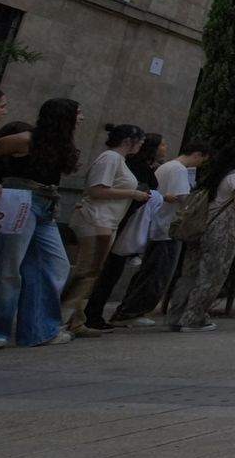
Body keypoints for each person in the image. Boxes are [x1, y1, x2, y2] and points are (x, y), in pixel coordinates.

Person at [0, 99, 82, 347]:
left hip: (46, 204)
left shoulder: (59, 143)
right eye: (78, 113)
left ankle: (39, 328)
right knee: (8, 267)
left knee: (56, 264)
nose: (81, 118)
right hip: (21, 199)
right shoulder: (24, 139)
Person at [62, 124, 150, 335]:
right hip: (97, 219)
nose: (141, 146)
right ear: (129, 141)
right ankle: (63, 318)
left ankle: (75, 319)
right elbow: (97, 189)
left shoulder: (118, 160)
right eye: (139, 141)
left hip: (106, 220)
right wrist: (132, 193)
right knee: (87, 271)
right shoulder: (110, 158)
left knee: (91, 271)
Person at [111, 141, 209, 326]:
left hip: (159, 225)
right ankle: (131, 312)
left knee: (150, 271)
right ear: (197, 154)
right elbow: (183, 198)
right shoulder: (179, 169)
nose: (200, 164)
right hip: (166, 228)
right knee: (157, 273)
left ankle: (129, 310)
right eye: (202, 159)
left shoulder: (168, 166)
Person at [164, 143, 235, 332]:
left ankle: (176, 316)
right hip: (223, 230)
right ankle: (193, 318)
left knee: (189, 274)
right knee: (211, 275)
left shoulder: (214, 177)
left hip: (200, 228)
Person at [81, 132, 165, 331]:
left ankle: (91, 313)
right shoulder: (126, 162)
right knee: (102, 271)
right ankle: (89, 314)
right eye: (162, 144)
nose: (165, 148)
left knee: (108, 271)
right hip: (117, 221)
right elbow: (100, 189)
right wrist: (136, 194)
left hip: (122, 220)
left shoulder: (136, 164)